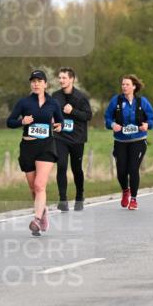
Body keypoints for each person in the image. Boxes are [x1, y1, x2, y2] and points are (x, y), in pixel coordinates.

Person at [7, 70, 64, 236]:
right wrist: (22, 121)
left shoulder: (53, 103)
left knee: (40, 185)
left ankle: (37, 220)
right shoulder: (24, 102)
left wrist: (59, 126)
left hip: (46, 146)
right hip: (28, 147)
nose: (36, 84)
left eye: (39, 81)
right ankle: (43, 212)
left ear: (45, 84)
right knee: (33, 188)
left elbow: (60, 122)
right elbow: (10, 122)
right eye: (33, 81)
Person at [104, 74, 153, 210]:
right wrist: (112, 125)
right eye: (123, 84)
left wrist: (147, 125)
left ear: (134, 87)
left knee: (133, 169)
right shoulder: (116, 101)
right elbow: (107, 118)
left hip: (138, 140)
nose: (124, 87)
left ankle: (133, 199)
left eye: (127, 84)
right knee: (121, 171)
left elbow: (151, 119)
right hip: (120, 141)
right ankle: (125, 190)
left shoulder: (142, 102)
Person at [51, 67, 93, 212]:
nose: (61, 80)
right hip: (60, 137)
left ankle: (79, 196)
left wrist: (72, 111)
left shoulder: (81, 97)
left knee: (76, 169)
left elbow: (88, 116)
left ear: (72, 79)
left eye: (64, 78)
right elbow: (51, 112)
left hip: (77, 139)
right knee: (61, 166)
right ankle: (63, 200)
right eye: (59, 77)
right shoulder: (55, 96)